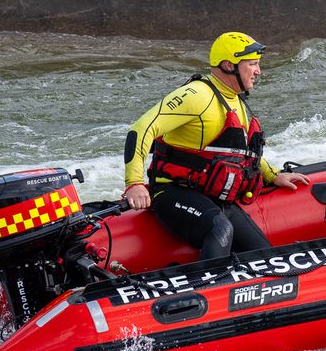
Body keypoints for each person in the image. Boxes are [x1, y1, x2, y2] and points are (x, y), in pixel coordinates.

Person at [123, 31, 310, 261]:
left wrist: (273, 175)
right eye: (252, 64)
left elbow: (239, 154)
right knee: (220, 230)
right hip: (173, 192)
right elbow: (140, 129)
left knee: (263, 254)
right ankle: (208, 290)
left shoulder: (236, 99)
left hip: (214, 198)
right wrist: (134, 184)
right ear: (228, 65)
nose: (258, 71)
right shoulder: (196, 95)